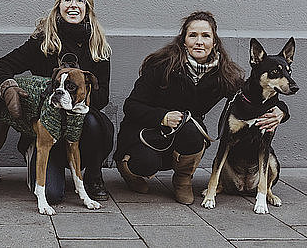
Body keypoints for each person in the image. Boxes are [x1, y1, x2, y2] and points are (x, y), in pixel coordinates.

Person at [113, 11, 287, 205]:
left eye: (205, 36)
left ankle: (182, 179)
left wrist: (281, 110)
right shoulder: (162, 65)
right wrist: (163, 116)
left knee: (194, 132)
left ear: (214, 42)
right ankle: (130, 172)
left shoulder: (224, 73)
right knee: (145, 162)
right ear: (183, 40)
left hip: (186, 133)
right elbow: (131, 106)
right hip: (147, 133)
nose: (199, 41)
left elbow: (250, 94)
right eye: (192, 35)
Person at [0, 0, 114, 203]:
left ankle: (93, 175)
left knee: (98, 125)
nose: (73, 5)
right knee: (52, 195)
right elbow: (1, 66)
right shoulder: (43, 41)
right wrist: (8, 87)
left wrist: (78, 100)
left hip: (79, 121)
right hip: (46, 125)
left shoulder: (98, 46)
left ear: (88, 8)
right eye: (67, 0)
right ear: (58, 6)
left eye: (80, 1)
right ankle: (34, 152)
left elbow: (103, 94)